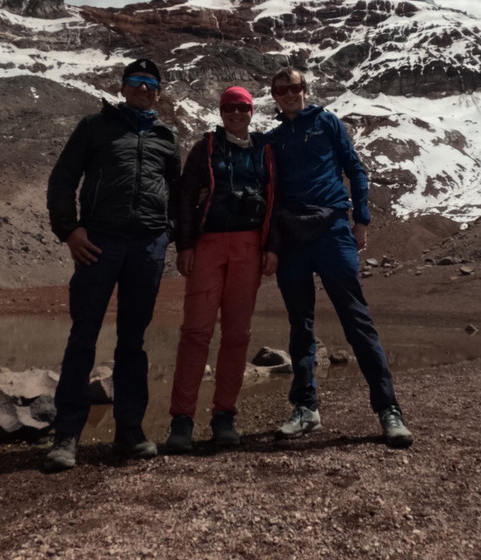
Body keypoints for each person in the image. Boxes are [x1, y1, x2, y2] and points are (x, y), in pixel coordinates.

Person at [42, 58, 180, 473]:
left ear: (159, 93)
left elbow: (178, 192)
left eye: (151, 84)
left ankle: (129, 431)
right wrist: (69, 230)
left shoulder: (166, 137)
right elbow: (63, 179)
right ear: (123, 87)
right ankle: (67, 434)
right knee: (83, 337)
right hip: (98, 243)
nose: (143, 88)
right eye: (136, 81)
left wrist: (167, 233)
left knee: (133, 341)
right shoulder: (94, 127)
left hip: (147, 248)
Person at [264, 67, 413, 448]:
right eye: (281, 90)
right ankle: (306, 408)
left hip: (332, 229)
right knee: (300, 324)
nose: (289, 94)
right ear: (274, 96)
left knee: (356, 319)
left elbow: (354, 168)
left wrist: (361, 219)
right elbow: (268, 193)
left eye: (294, 87)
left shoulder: (327, 123)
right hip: (292, 237)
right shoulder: (273, 139)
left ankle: (388, 409)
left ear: (305, 89)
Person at [164, 86, 280, 453]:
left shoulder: (265, 149)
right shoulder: (206, 148)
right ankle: (182, 419)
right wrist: (185, 245)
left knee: (237, 334)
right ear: (221, 111)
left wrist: (272, 247)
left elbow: (277, 198)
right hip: (208, 244)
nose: (236, 113)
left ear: (251, 111)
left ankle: (224, 415)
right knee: (196, 331)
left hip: (249, 246)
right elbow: (185, 196)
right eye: (229, 107)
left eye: (242, 107)